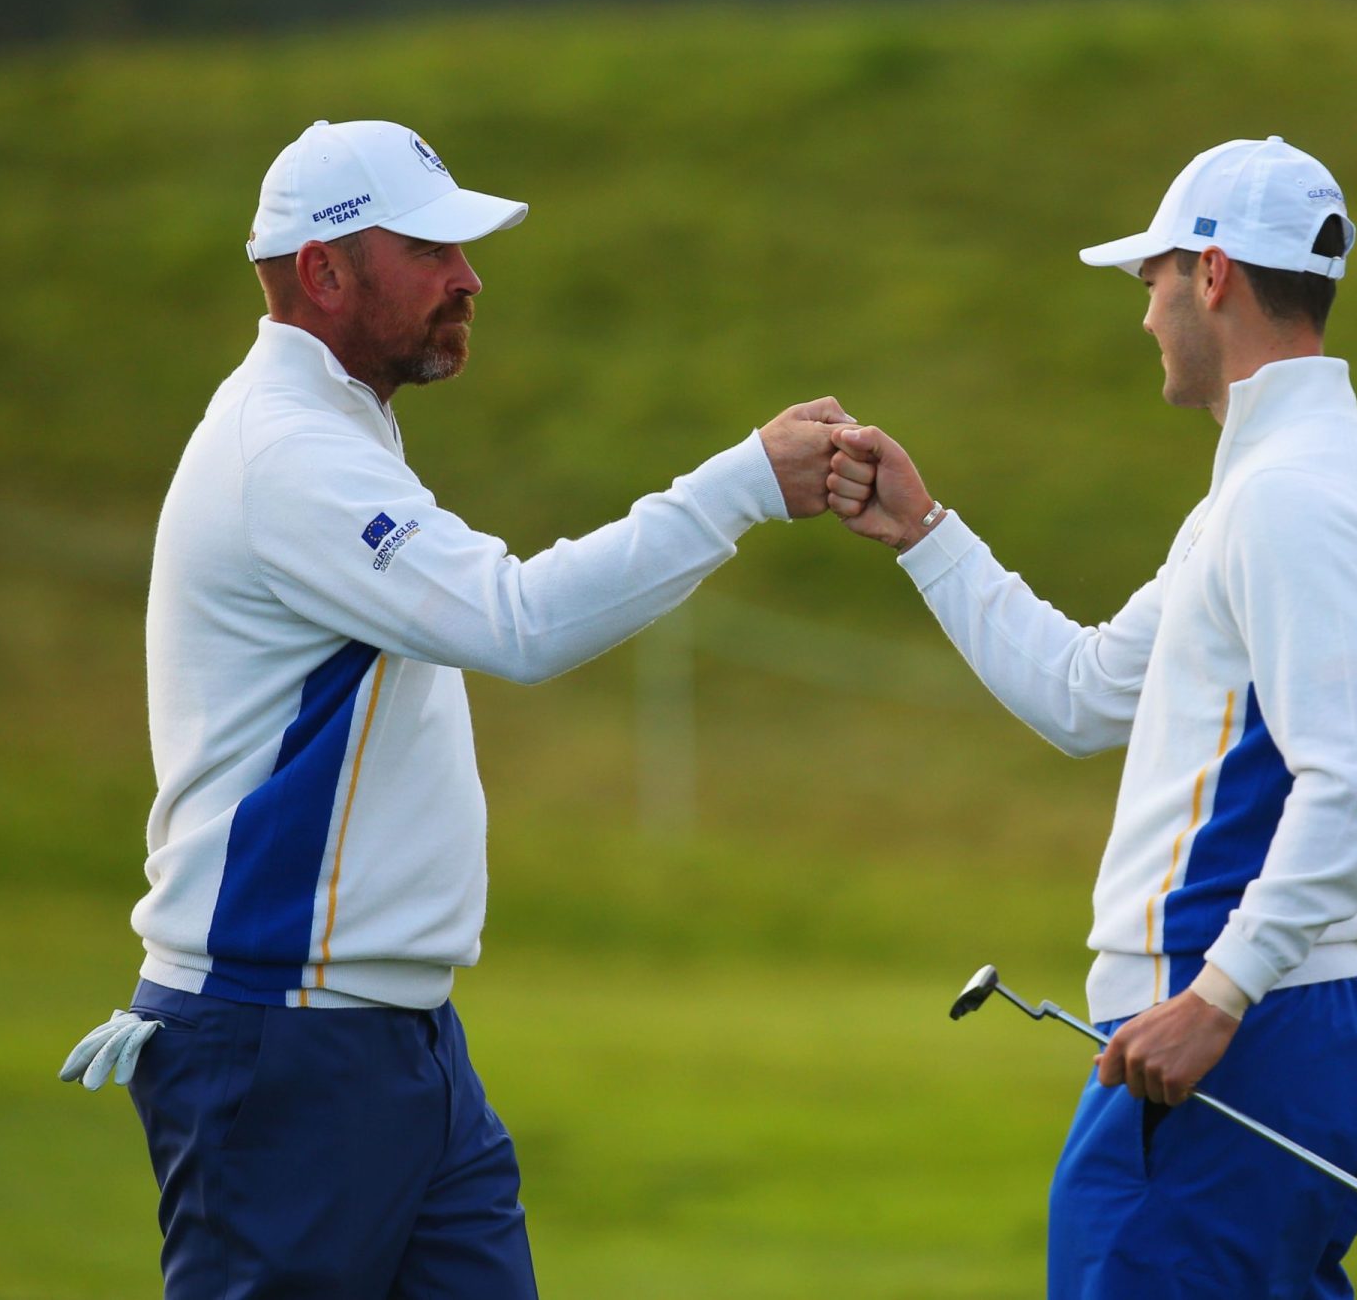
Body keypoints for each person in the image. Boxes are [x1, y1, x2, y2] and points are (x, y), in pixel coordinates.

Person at [57, 118, 855, 1300]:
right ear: (324, 271)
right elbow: (517, 621)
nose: (469, 277)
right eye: (430, 248)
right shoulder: (287, 453)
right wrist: (741, 484)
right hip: (281, 1036)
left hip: (394, 1037)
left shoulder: (334, 429)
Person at [824, 137, 1357, 1298]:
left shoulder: (1291, 493)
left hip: (1239, 1032)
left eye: (1148, 282)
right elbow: (1087, 690)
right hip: (1260, 1026)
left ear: (1212, 275)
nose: (1144, 317)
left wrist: (1217, 995)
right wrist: (925, 532)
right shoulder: (1263, 486)